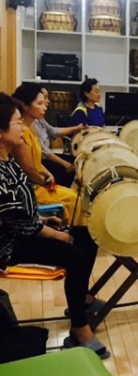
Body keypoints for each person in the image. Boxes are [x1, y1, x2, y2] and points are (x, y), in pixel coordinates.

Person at [0, 93, 109, 358]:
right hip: (9, 244)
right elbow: (17, 223)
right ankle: (80, 328)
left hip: (24, 231)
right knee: (75, 256)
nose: (22, 128)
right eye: (17, 123)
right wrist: (54, 234)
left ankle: (80, 301)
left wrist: (43, 219)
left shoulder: (8, 162)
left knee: (88, 236)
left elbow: (21, 211)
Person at [11, 83, 85, 225]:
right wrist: (44, 181)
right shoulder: (22, 132)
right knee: (74, 199)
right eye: (39, 103)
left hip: (37, 182)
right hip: (30, 188)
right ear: (25, 106)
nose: (45, 106)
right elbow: (28, 168)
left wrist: (48, 174)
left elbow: (37, 162)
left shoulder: (30, 129)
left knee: (75, 196)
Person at [33, 87, 84, 186]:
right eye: (44, 99)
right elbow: (44, 151)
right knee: (66, 168)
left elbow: (53, 131)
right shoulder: (31, 124)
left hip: (45, 158)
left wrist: (76, 128)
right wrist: (64, 163)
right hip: (41, 160)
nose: (48, 101)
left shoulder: (40, 119)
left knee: (74, 160)